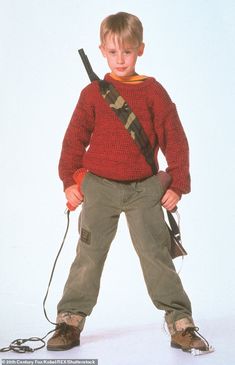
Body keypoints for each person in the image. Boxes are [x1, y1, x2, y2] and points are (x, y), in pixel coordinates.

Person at [47, 11, 211, 353]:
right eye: (113, 52)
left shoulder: (154, 92)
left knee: (156, 256)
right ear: (102, 51)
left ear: (140, 50)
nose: (120, 59)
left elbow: (175, 139)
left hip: (144, 189)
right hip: (100, 187)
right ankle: (69, 321)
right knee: (88, 256)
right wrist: (69, 180)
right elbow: (73, 139)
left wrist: (177, 183)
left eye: (127, 51)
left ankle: (181, 323)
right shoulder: (93, 93)